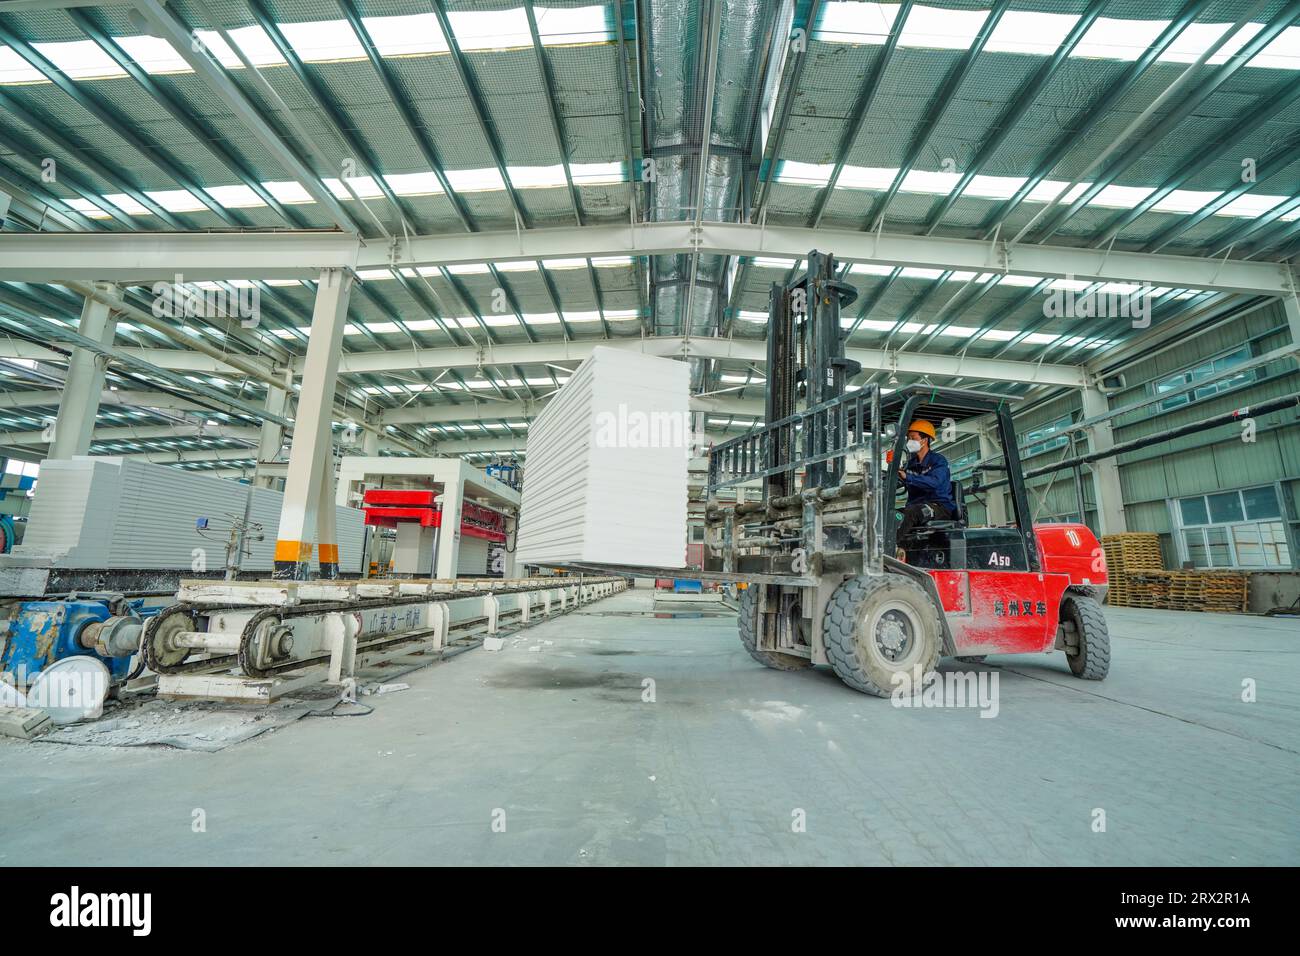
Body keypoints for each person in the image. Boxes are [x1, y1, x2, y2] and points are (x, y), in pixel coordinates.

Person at [896, 419, 957, 547]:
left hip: (939, 507)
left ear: (924, 440)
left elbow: (934, 482)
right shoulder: (910, 465)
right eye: (908, 438)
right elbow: (904, 480)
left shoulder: (938, 461)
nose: (909, 441)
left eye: (913, 437)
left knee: (912, 512)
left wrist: (908, 477)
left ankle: (889, 549)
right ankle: (900, 550)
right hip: (916, 507)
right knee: (894, 515)